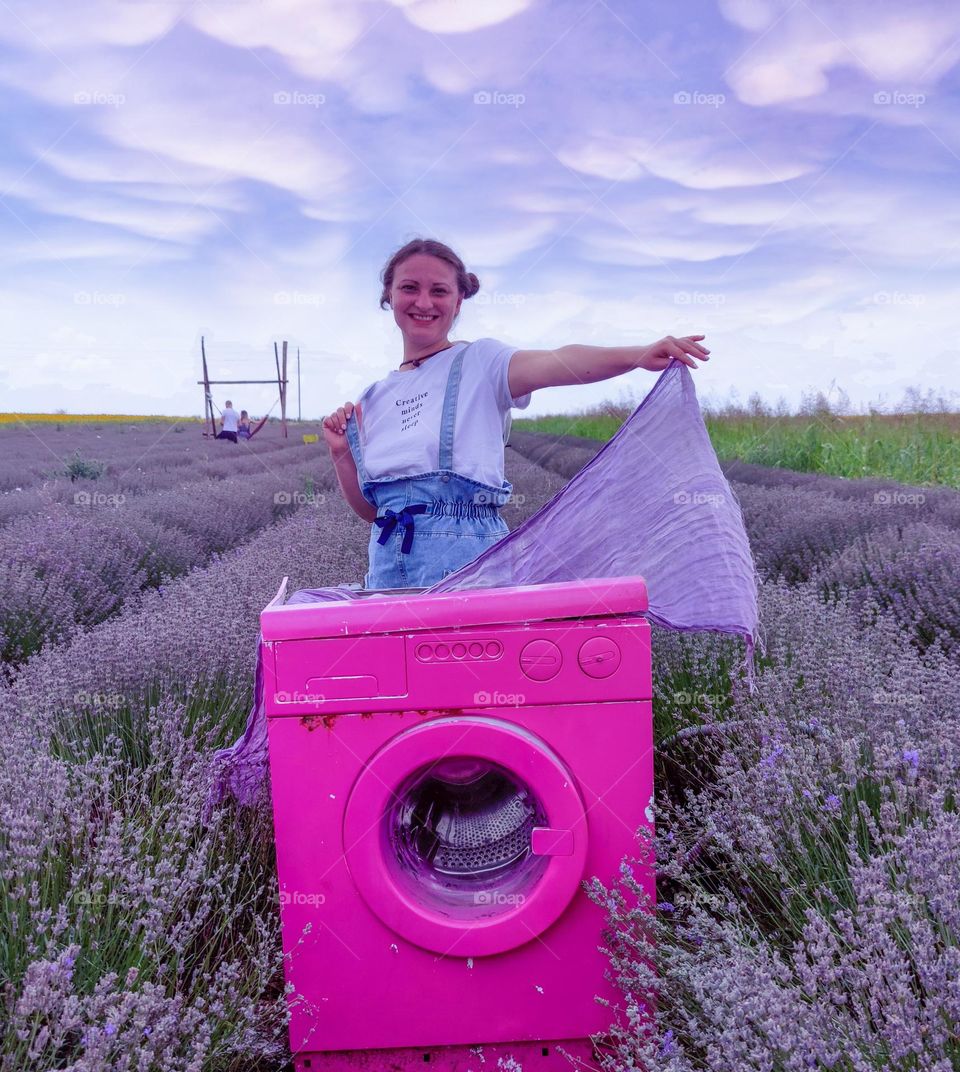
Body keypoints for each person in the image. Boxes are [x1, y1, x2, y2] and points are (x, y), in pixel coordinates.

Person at [322, 238, 710, 591]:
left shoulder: (479, 362)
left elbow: (559, 361)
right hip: (388, 569)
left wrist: (636, 355)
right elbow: (374, 512)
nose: (424, 302)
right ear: (389, 295)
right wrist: (341, 453)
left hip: (468, 568)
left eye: (439, 291)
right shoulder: (372, 398)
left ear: (458, 303)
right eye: (410, 288)